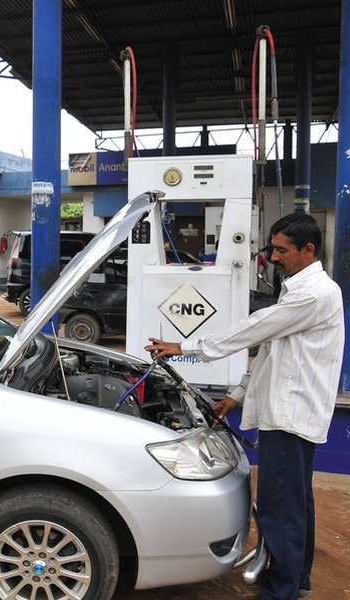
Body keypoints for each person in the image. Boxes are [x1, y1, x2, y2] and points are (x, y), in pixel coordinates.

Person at [144, 213, 343, 600]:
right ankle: (296, 579)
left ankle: (281, 590)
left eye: (282, 250)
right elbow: (269, 351)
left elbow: (254, 328)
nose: (274, 257)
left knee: (279, 504)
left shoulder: (314, 294)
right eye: (272, 248)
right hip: (288, 412)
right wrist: (237, 394)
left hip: (290, 416)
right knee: (294, 501)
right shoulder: (299, 289)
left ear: (308, 250)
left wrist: (185, 347)